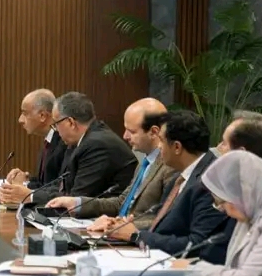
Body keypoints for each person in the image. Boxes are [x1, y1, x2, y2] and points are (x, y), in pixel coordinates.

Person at [106, 111, 230, 263]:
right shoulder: (180, 178)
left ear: (177, 147)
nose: (158, 146)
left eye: (161, 141)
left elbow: (197, 244)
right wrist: (125, 227)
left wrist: (136, 235)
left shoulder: (210, 181)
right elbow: (164, 227)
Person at [48, 98, 174, 229]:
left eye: (132, 131)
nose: (125, 136)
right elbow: (121, 203)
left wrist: (120, 226)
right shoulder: (145, 163)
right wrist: (76, 203)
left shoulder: (170, 166)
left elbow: (165, 220)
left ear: (154, 132)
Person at [3, 91, 136, 206]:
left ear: (71, 123)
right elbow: (62, 184)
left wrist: (31, 196)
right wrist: (29, 191)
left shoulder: (97, 144)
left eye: (56, 124)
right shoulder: (81, 141)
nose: (55, 130)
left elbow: (75, 198)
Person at [2, 89, 67, 201]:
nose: (20, 120)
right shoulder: (49, 140)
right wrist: (25, 182)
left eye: (25, 113)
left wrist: (28, 193)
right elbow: (44, 183)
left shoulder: (64, 142)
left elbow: (61, 187)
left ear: (42, 116)